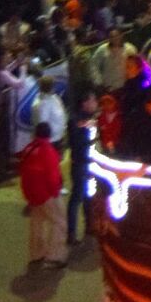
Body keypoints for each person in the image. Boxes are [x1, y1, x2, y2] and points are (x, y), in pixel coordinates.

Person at [19, 121, 68, 270]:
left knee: (37, 223)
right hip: (46, 193)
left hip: (31, 193)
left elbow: (22, 169)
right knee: (59, 222)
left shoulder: (29, 148)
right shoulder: (48, 151)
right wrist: (55, 193)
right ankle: (54, 256)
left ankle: (36, 254)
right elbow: (52, 177)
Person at [66, 90, 97, 245]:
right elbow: (78, 140)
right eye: (92, 100)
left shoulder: (87, 119)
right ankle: (71, 232)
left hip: (88, 163)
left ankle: (89, 226)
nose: (95, 104)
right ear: (84, 103)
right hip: (80, 164)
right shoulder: (76, 119)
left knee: (87, 196)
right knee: (77, 197)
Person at [93, 27, 137, 92]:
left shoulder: (130, 49)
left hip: (125, 87)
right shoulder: (102, 50)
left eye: (117, 36)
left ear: (121, 35)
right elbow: (94, 66)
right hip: (108, 87)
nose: (115, 38)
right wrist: (98, 81)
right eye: (112, 37)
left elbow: (136, 65)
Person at [30, 75, 67, 148]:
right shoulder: (42, 104)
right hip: (50, 141)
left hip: (57, 137)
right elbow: (42, 125)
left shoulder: (53, 98)